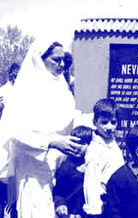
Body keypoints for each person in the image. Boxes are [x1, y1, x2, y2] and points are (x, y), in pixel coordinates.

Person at [0, 39, 84, 218]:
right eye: (56, 60)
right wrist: (52, 142)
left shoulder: (60, 87)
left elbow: (67, 120)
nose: (61, 65)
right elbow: (16, 133)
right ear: (40, 59)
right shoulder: (27, 91)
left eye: (64, 60)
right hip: (33, 167)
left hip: (57, 167)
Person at [83, 98, 125, 218]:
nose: (109, 127)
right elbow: (91, 181)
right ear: (95, 122)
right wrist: (94, 211)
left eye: (113, 122)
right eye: (104, 122)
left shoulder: (112, 143)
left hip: (117, 201)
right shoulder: (95, 149)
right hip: (103, 205)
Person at [53, 125, 93, 218]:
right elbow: (59, 191)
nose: (77, 147)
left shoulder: (95, 165)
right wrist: (60, 204)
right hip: (70, 213)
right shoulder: (67, 166)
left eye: (82, 144)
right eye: (74, 143)